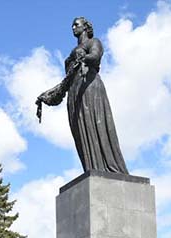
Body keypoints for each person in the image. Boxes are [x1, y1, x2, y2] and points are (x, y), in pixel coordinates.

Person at [36, 17, 129, 174]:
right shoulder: (74, 53)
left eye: (76, 25)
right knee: (81, 134)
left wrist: (84, 58)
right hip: (75, 92)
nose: (73, 27)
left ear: (85, 27)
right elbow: (66, 82)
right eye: (72, 25)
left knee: (95, 126)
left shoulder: (94, 42)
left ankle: (107, 168)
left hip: (89, 88)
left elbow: (96, 56)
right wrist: (46, 96)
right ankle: (92, 168)